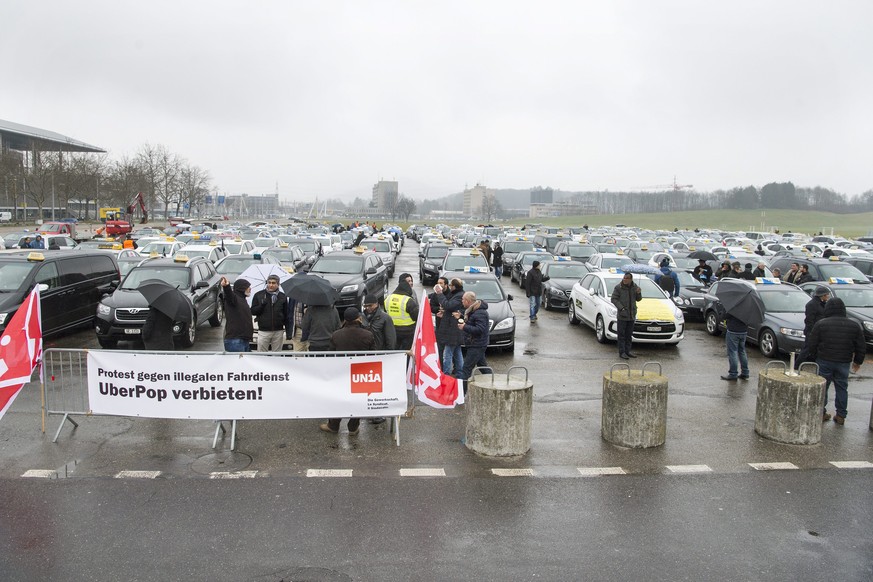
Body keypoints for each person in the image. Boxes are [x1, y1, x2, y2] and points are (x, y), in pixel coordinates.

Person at [806, 298, 865, 425]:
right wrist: (857, 362)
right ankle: (841, 415)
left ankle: (821, 413)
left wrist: (815, 356)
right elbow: (861, 345)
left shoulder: (821, 324)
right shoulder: (854, 325)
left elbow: (812, 343)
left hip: (824, 360)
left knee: (823, 387)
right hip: (843, 362)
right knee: (842, 388)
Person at [320, 307, 376, 435]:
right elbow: (374, 355)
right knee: (358, 398)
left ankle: (333, 425)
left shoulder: (336, 334)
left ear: (344, 320)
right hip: (360, 373)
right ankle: (353, 427)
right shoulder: (368, 334)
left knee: (338, 397)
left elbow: (331, 354)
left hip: (341, 372)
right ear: (359, 318)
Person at [249, 274, 292, 352]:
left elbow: (286, 314)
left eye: (273, 283)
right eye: (269, 283)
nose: (271, 285)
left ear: (278, 284)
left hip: (278, 330)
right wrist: (261, 305)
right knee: (262, 353)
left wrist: (288, 332)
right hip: (263, 330)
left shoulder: (282, 296)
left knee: (277, 354)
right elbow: (253, 311)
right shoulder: (259, 295)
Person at [456, 291, 490, 389]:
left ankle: (462, 393)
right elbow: (471, 323)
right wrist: (461, 318)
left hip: (477, 345)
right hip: (475, 344)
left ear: (467, 301)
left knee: (466, 369)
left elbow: (480, 329)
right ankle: (494, 382)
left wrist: (464, 327)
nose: (461, 301)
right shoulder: (472, 310)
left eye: (463, 299)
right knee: (483, 367)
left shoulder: (480, 313)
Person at [434, 278, 465, 377]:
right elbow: (451, 310)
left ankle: (446, 375)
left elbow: (448, 305)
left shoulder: (458, 296)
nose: (450, 287)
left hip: (452, 331)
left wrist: (439, 293)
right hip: (453, 330)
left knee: (447, 354)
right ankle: (460, 373)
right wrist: (445, 313)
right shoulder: (457, 295)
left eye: (451, 285)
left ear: (454, 286)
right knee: (457, 352)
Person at [610, 272, 642, 360]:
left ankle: (628, 351)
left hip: (631, 315)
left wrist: (639, 293)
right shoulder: (618, 287)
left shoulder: (634, 287)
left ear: (631, 279)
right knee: (621, 335)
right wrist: (621, 308)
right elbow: (613, 299)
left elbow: (638, 299)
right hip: (622, 315)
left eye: (627, 278)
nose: (625, 279)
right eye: (624, 278)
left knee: (629, 334)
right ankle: (622, 352)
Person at [797, 286, 830, 366]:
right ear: (822, 295)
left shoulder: (822, 304)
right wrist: (812, 332)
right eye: (827, 295)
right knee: (807, 349)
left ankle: (817, 364)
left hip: (820, 331)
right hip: (812, 332)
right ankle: (796, 365)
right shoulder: (812, 304)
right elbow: (809, 320)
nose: (828, 296)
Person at [385, 273, 418, 350]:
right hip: (408, 332)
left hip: (393, 330)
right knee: (406, 352)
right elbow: (416, 316)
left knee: (395, 352)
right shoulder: (408, 300)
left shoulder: (388, 298)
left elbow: (386, 313)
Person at [220, 277, 253, 352]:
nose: (250, 289)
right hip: (235, 341)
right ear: (241, 288)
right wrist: (226, 287)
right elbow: (229, 296)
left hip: (244, 340)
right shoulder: (234, 299)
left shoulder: (243, 300)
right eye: (248, 287)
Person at [720, 311, 750, 381]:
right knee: (742, 351)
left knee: (732, 352)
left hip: (733, 331)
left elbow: (724, 316)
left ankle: (733, 374)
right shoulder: (748, 306)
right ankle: (745, 372)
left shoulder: (734, 305)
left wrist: (723, 310)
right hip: (743, 331)